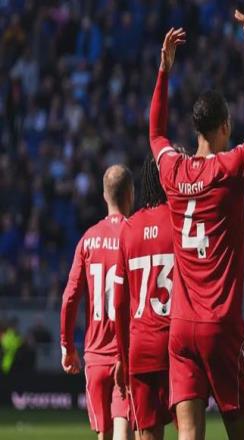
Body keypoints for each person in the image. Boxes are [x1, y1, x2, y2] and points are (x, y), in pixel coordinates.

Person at [148, 10, 244, 440]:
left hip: (181, 328)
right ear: (225, 126)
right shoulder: (231, 167)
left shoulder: (173, 171)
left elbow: (155, 135)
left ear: (196, 129)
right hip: (221, 326)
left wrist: (163, 72)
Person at [60, 165, 133, 440]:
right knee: (126, 429)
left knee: (105, 433)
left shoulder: (87, 239)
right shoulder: (134, 234)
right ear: (131, 193)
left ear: (104, 195)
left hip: (95, 356)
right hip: (125, 352)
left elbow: (70, 297)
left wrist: (67, 346)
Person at [114, 154, 174, 440]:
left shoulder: (129, 228)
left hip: (141, 347)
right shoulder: (180, 221)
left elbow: (119, 303)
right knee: (189, 429)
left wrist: (121, 357)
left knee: (147, 435)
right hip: (178, 345)